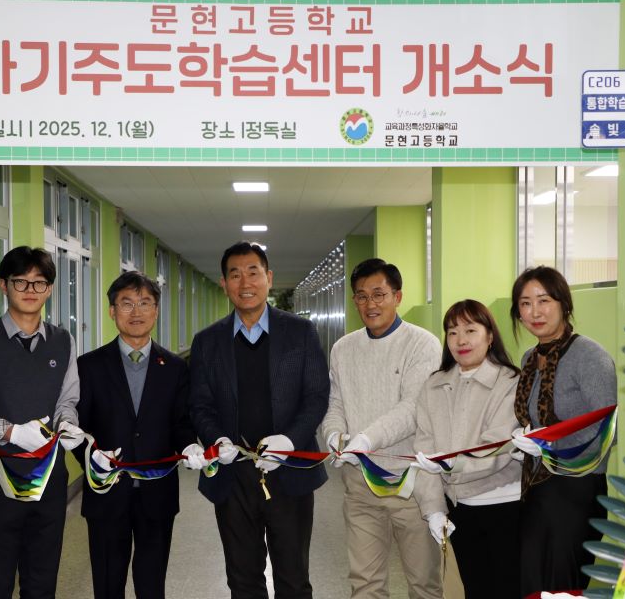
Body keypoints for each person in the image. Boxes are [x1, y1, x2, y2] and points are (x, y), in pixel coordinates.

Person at [189, 241, 330, 599]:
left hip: (290, 474)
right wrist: (217, 439)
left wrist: (290, 441)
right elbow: (200, 405)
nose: (245, 282)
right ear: (224, 283)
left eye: (253, 272)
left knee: (293, 580)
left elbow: (316, 396)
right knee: (243, 580)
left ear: (269, 277)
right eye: (235, 274)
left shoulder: (300, 332)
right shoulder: (207, 342)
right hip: (232, 477)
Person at [0, 246, 84, 599]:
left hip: (49, 481)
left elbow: (67, 400)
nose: (30, 290)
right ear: (3, 285)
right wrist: (9, 431)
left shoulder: (63, 340)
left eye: (39, 282)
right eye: (20, 282)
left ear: (50, 289)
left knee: (42, 581)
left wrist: (67, 424)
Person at [74, 271, 209, 599]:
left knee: (152, 586)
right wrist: (91, 460)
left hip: (157, 496)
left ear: (156, 311)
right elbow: (77, 428)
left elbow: (181, 423)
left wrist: (190, 445)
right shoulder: (88, 366)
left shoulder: (175, 368)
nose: (136, 312)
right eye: (127, 304)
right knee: (108, 585)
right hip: (107, 495)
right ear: (112, 311)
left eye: (145, 303)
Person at [321, 258, 444, 599]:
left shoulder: (422, 344)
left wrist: (366, 439)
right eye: (361, 296)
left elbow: (413, 408)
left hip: (411, 485)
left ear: (397, 296)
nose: (370, 304)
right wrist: (334, 436)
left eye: (379, 294)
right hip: (360, 486)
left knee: (423, 584)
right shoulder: (343, 348)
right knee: (365, 584)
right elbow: (336, 403)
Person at [508, 266, 616, 596]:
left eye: (544, 300)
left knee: (562, 587)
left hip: (576, 489)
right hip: (536, 487)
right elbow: (529, 418)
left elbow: (606, 432)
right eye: (525, 303)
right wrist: (522, 439)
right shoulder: (529, 358)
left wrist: (549, 446)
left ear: (564, 303)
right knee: (531, 583)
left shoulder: (590, 356)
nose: (535, 312)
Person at [412, 299, 522, 599]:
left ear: (490, 336)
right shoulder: (433, 385)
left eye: (470, 330)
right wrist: (434, 509)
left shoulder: (509, 381)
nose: (461, 340)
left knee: (508, 590)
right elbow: (424, 452)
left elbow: (497, 447)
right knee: (474, 590)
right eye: (452, 332)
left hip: (506, 506)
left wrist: (452, 464)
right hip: (460, 508)